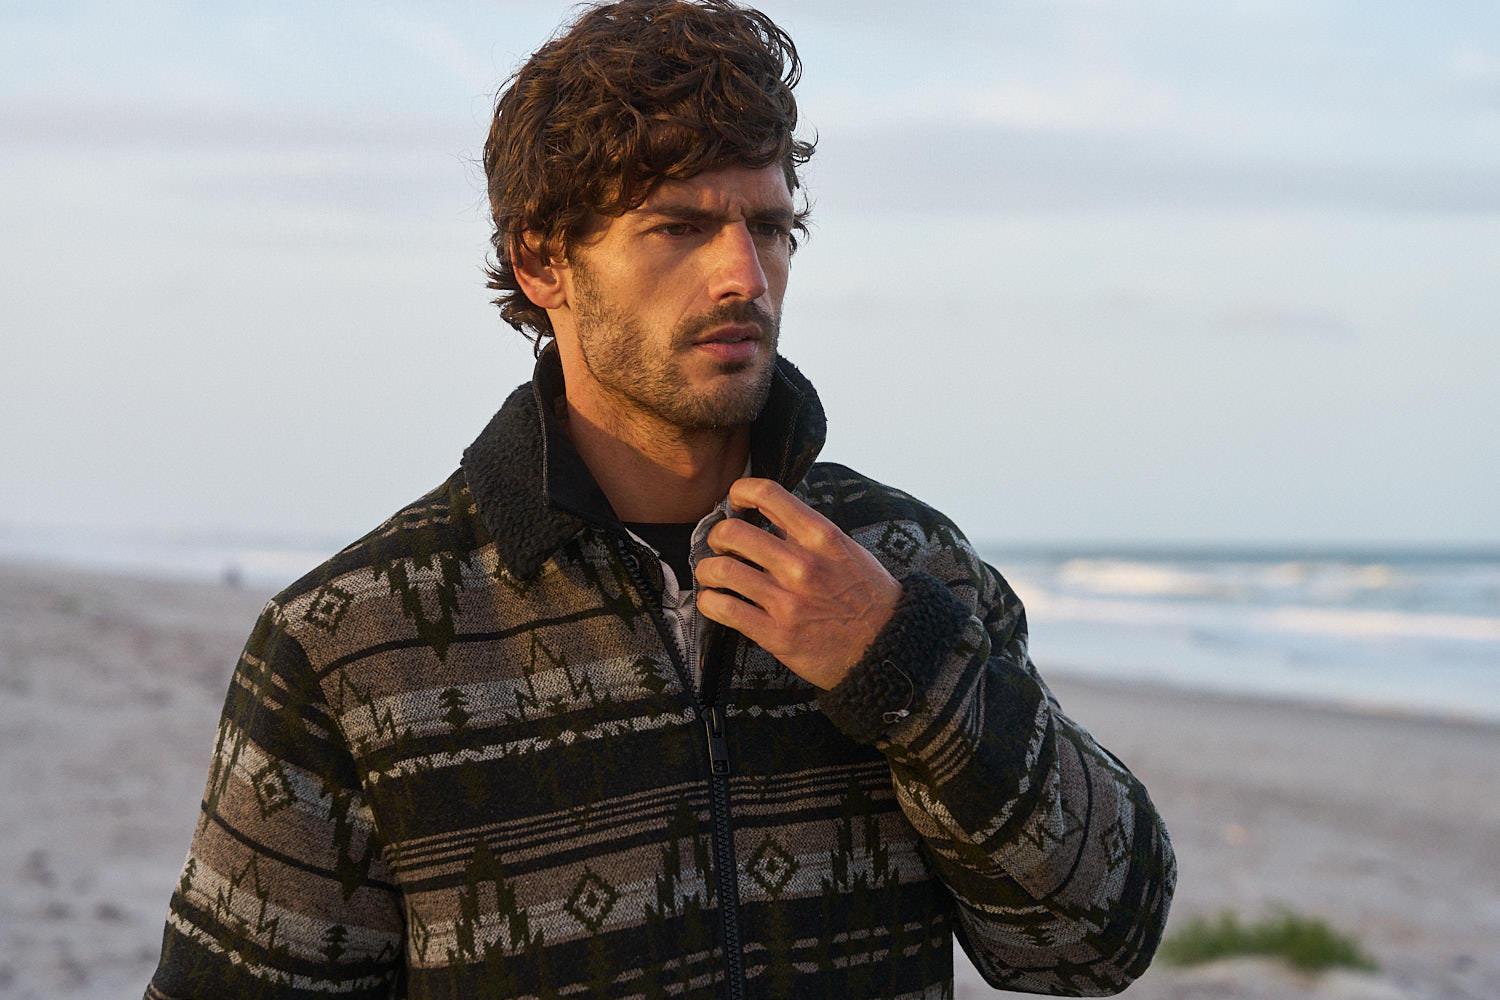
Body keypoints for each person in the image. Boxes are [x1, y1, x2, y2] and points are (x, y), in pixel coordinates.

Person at [144, 2, 1175, 997]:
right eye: (680, 227)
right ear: (543, 259)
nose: (745, 276)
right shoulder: (347, 644)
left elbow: (1092, 944)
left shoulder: (902, 563)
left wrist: (905, 669)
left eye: (770, 227)